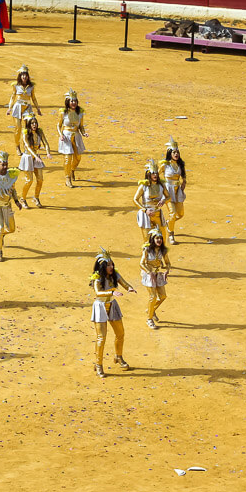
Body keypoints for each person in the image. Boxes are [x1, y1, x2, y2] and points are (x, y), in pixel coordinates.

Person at [89, 248, 136, 378]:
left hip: (112, 305)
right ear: (102, 267)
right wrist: (112, 292)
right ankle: (98, 365)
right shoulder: (97, 278)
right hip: (100, 306)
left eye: (112, 264)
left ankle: (118, 357)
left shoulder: (114, 274)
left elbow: (124, 282)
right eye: (108, 265)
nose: (111, 266)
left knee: (120, 333)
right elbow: (98, 293)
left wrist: (129, 288)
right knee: (101, 338)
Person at [138, 229, 171, 329]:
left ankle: (150, 310)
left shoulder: (163, 250)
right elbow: (141, 263)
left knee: (163, 296)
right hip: (149, 274)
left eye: (160, 238)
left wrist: (167, 270)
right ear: (153, 239)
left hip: (158, 274)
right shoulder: (147, 250)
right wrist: (149, 272)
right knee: (153, 297)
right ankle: (149, 319)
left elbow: (168, 263)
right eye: (157, 238)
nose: (159, 240)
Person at [133, 160, 170, 245]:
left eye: (156, 173)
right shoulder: (144, 186)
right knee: (147, 242)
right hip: (146, 216)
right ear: (149, 174)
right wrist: (145, 210)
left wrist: (164, 200)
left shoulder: (161, 185)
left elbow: (169, 197)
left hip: (157, 214)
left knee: (162, 239)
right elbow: (135, 199)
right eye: (153, 173)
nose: (156, 175)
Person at [6, 65, 42, 152]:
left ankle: (27, 145)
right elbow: (13, 97)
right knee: (18, 128)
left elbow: (33, 98)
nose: (24, 77)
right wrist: (9, 108)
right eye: (22, 75)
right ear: (20, 76)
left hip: (28, 108)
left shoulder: (31, 86)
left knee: (28, 127)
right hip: (17, 107)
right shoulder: (16, 86)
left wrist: (38, 108)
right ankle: (17, 146)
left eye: (25, 75)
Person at [57, 89, 88, 187]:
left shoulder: (80, 113)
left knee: (78, 157)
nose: (73, 103)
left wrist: (84, 133)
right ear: (68, 102)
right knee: (67, 158)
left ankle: (72, 170)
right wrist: (60, 134)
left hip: (76, 136)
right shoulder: (63, 112)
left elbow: (81, 126)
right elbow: (59, 125)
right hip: (66, 136)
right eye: (71, 101)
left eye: (75, 101)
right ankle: (67, 178)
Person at [18, 114, 50, 207]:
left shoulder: (39, 132)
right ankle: (23, 199)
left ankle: (36, 198)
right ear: (28, 124)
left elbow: (46, 143)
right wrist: (35, 156)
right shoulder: (25, 133)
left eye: (35, 122)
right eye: (32, 123)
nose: (34, 125)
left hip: (36, 157)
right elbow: (28, 147)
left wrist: (48, 152)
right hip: (28, 157)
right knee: (29, 181)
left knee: (40, 179)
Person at [161, 137, 187, 244]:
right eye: (174, 152)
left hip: (177, 192)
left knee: (180, 214)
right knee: (173, 213)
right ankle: (171, 234)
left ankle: (168, 223)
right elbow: (155, 176)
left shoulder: (180, 164)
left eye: (177, 152)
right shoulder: (165, 165)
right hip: (168, 192)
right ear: (170, 153)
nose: (176, 154)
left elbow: (183, 177)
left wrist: (184, 182)